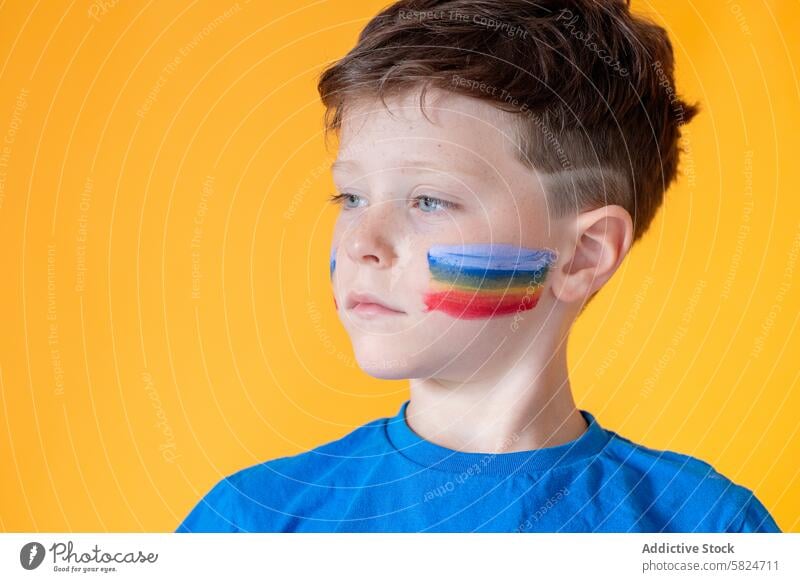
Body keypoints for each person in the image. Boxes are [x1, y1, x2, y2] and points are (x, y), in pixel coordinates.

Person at [176, 0, 781, 533]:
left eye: (430, 200)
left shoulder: (705, 529)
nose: (363, 240)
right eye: (351, 197)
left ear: (584, 254)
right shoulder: (252, 523)